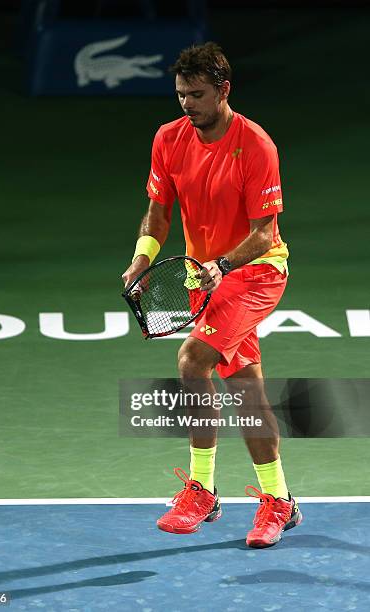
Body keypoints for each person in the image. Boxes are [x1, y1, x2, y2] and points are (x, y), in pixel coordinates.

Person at [122, 42, 302, 548]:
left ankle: (201, 490)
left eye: (197, 95)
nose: (186, 104)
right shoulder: (169, 139)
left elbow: (264, 234)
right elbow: (158, 212)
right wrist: (142, 257)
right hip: (203, 279)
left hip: (255, 272)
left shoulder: (256, 146)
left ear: (224, 90)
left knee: (192, 358)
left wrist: (220, 265)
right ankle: (279, 500)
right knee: (248, 392)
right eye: (180, 94)